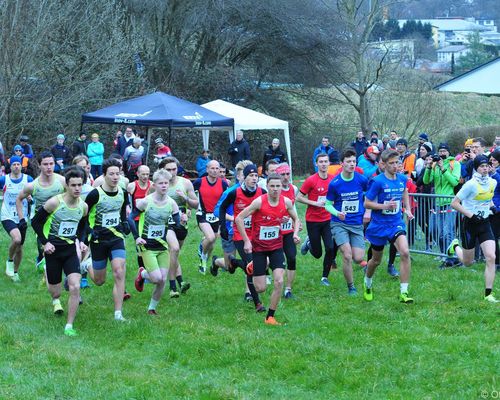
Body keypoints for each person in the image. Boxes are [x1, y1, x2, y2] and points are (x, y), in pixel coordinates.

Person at [235, 173, 300, 325]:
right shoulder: (259, 202)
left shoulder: (286, 202)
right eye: (272, 186)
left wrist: (295, 233)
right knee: (260, 288)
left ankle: (270, 317)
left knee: (278, 281)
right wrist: (246, 241)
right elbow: (239, 218)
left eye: (278, 186)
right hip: (259, 248)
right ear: (267, 187)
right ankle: (248, 266)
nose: (275, 189)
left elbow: (296, 218)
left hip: (276, 247)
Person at [31, 166, 88, 336]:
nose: (77, 188)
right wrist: (45, 242)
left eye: (80, 185)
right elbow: (35, 222)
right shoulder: (55, 202)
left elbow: (83, 226)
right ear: (66, 186)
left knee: (75, 286)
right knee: (56, 292)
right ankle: (48, 275)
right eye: (73, 185)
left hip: (70, 250)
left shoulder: (83, 206)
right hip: (53, 250)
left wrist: (82, 241)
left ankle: (69, 326)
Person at [363, 149, 414, 303]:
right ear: (384, 165)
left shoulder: (402, 179)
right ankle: (367, 282)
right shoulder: (377, 181)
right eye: (391, 163)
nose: (395, 166)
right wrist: (384, 206)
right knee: (376, 261)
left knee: (405, 252)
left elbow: (404, 192)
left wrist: (408, 210)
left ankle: (404, 292)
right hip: (379, 225)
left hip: (395, 223)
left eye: (397, 162)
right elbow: (367, 202)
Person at [82, 158, 130, 321]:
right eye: (112, 174)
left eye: (118, 173)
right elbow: (84, 216)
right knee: (99, 280)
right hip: (98, 240)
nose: (115, 177)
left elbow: (123, 210)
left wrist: (124, 223)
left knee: (118, 270)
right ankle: (86, 265)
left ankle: (118, 313)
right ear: (104, 175)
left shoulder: (123, 192)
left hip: (116, 237)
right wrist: (89, 231)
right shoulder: (95, 194)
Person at [130, 169, 181, 314]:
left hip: (162, 246)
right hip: (147, 246)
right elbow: (130, 218)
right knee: (157, 278)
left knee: (163, 279)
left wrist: (181, 219)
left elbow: (176, 222)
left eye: (166, 183)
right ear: (155, 185)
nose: (164, 186)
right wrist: (136, 237)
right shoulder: (147, 202)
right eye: (161, 183)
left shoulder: (171, 203)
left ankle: (151, 309)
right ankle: (143, 274)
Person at [448, 155, 498, 303]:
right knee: (468, 262)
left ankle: (488, 294)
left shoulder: (492, 182)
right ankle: (455, 246)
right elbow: (455, 203)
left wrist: (492, 207)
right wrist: (471, 215)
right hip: (470, 225)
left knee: (491, 257)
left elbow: (487, 199)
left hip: (484, 223)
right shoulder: (470, 184)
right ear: (476, 168)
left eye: (487, 166)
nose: (485, 168)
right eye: (482, 166)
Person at [218, 164, 266, 311]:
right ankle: (257, 303)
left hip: (257, 234)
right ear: (244, 178)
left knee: (255, 266)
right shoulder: (235, 192)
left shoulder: (262, 192)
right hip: (240, 234)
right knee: (251, 266)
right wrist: (223, 226)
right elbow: (221, 208)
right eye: (250, 176)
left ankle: (234, 261)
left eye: (255, 176)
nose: (253, 178)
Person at [326, 148, 368, 295]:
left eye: (354, 161)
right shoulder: (335, 183)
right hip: (339, 223)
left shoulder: (361, 180)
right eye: (348, 161)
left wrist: (368, 210)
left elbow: (369, 196)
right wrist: (337, 213)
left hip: (356, 223)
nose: (352, 164)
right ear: (342, 163)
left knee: (358, 258)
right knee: (347, 255)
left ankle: (362, 266)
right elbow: (327, 204)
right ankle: (351, 287)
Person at [16, 151, 66, 273]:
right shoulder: (32, 185)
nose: (49, 167)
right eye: (45, 164)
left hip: (60, 220)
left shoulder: (62, 181)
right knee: (44, 250)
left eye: (51, 163)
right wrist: (22, 219)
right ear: (39, 165)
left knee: (60, 249)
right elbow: (19, 199)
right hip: (41, 223)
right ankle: (41, 259)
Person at [160, 157, 198, 294]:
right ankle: (172, 287)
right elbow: (148, 203)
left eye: (174, 169)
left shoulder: (186, 183)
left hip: (181, 223)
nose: (171, 172)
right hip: (165, 223)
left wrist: (185, 199)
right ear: (163, 170)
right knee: (174, 249)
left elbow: (195, 204)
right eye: (168, 170)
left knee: (174, 255)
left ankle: (180, 281)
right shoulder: (158, 184)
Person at [297, 153, 335, 285]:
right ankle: (308, 244)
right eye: (321, 162)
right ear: (317, 164)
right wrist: (314, 203)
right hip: (313, 220)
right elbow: (299, 197)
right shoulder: (311, 180)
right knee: (318, 253)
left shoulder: (333, 179)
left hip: (328, 219)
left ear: (329, 163)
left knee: (330, 248)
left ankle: (325, 277)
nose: (324, 164)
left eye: (326, 161)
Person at [423, 143, 461, 256]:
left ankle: (451, 257)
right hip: (438, 202)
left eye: (444, 151)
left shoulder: (454, 164)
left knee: (448, 232)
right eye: (440, 151)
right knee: (437, 231)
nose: (442, 153)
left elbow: (454, 182)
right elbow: (426, 181)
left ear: (449, 152)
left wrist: (443, 168)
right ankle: (443, 254)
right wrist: (429, 167)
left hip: (450, 202)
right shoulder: (434, 165)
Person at [193, 160, 228, 274]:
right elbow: (191, 195)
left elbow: (227, 200)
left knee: (211, 245)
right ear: (207, 169)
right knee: (211, 237)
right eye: (212, 168)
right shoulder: (199, 182)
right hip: (202, 214)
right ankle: (202, 252)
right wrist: (187, 209)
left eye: (217, 168)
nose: (214, 170)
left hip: (216, 216)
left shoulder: (223, 183)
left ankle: (203, 260)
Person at [2, 156, 33, 281]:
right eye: (14, 164)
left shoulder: (28, 179)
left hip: (22, 217)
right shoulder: (4, 179)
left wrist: (31, 200)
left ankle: (15, 272)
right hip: (7, 215)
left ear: (21, 166)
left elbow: (34, 198)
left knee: (19, 247)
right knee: (17, 239)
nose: (16, 166)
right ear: (10, 166)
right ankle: (9, 261)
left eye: (18, 164)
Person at [276, 162, 300, 298]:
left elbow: (293, 208)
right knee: (277, 261)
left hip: (288, 231)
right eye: (282, 174)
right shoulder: (273, 190)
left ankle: (288, 289)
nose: (285, 177)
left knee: (291, 257)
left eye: (287, 174)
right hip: (275, 232)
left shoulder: (294, 188)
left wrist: (296, 222)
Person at [127, 165, 152, 273]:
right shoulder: (132, 186)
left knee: (150, 244)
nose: (145, 176)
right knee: (141, 246)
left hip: (150, 220)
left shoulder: (152, 186)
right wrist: (127, 209)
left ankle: (151, 268)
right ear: (137, 174)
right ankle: (142, 271)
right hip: (136, 219)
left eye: (147, 174)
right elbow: (126, 201)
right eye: (143, 174)